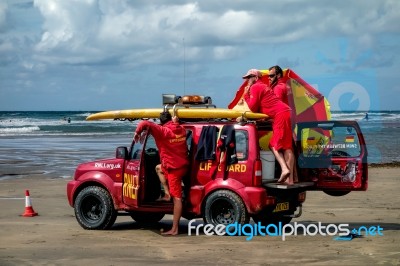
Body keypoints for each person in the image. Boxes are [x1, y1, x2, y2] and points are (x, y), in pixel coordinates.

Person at [134, 111, 189, 235]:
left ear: (161, 122)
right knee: (158, 168)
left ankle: (174, 229)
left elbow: (144, 122)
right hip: (182, 166)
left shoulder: (163, 131)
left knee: (177, 199)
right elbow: (176, 125)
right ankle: (167, 194)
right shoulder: (181, 129)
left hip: (173, 169)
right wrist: (175, 122)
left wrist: (137, 132)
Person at [242, 69, 295, 184]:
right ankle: (290, 181)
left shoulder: (255, 87)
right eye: (246, 78)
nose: (247, 80)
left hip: (280, 115)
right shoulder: (264, 86)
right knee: (286, 147)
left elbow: (252, 108)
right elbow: (268, 104)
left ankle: (284, 169)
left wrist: (246, 95)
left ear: (255, 78)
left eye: (249, 78)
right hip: (284, 113)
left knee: (273, 145)